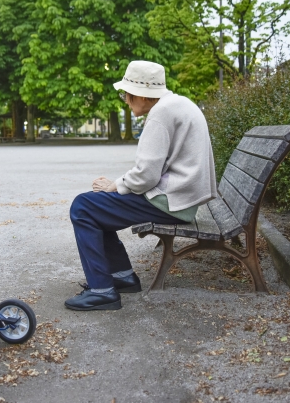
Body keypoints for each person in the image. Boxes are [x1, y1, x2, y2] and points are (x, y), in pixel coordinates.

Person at [65, 60, 217, 311]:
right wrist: (118, 185)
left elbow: (147, 176)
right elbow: (150, 171)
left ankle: (102, 291)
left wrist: (113, 186)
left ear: (143, 95)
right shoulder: (177, 104)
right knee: (95, 207)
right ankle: (122, 276)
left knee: (83, 206)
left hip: (171, 201)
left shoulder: (160, 114)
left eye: (127, 93)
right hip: (182, 198)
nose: (125, 99)